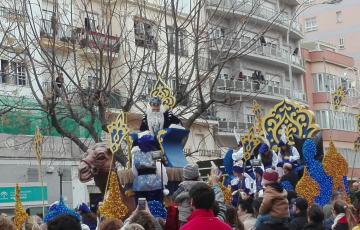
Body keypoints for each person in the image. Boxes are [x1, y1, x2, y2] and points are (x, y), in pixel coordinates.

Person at [131, 132, 168, 203]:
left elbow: (134, 171)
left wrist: (140, 177)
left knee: (141, 207)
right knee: (155, 206)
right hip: (155, 184)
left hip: (139, 185)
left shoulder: (135, 155)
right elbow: (160, 169)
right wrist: (163, 183)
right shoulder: (156, 153)